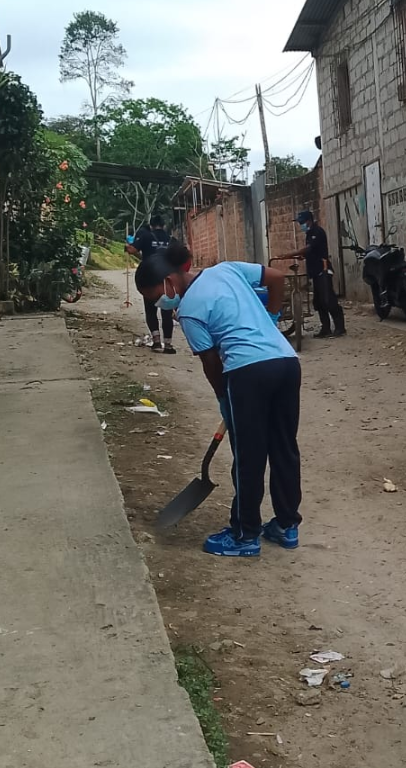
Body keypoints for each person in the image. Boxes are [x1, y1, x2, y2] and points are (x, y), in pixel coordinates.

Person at [135, 249, 304, 557]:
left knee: (248, 456)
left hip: (248, 372)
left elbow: (211, 363)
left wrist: (224, 397)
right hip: (286, 363)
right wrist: (272, 318)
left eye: (156, 296)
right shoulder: (227, 270)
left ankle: (245, 534)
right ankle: (286, 525)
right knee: (284, 448)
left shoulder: (188, 311)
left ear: (169, 281)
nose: (158, 303)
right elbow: (278, 278)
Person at [277, 211, 345, 338]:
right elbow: (312, 251)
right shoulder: (309, 233)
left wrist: (289, 254)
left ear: (309, 221)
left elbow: (309, 248)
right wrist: (302, 256)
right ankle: (325, 328)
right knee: (319, 302)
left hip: (323, 270)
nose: (300, 225)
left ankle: (340, 328)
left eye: (302, 222)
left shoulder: (317, 232)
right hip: (315, 272)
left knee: (329, 300)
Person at [128, 215, 178, 353]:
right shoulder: (171, 239)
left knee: (151, 310)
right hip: (167, 278)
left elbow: (132, 250)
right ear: (164, 225)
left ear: (151, 226)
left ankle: (156, 342)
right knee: (166, 311)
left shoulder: (146, 236)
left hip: (149, 276)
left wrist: (127, 247)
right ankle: (168, 345)